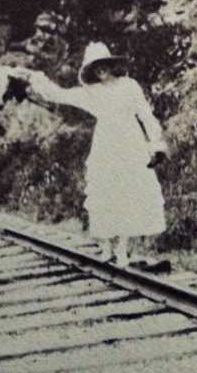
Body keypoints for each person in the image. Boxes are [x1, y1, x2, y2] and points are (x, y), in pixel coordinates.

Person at [23, 42, 168, 267]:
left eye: (103, 65)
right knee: (106, 192)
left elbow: (146, 115)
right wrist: (35, 79)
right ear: (91, 72)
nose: (100, 71)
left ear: (110, 65)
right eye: (95, 68)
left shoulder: (130, 86)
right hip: (106, 146)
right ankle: (107, 247)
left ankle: (123, 248)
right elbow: (59, 95)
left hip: (130, 143)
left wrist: (156, 145)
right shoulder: (91, 93)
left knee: (129, 193)